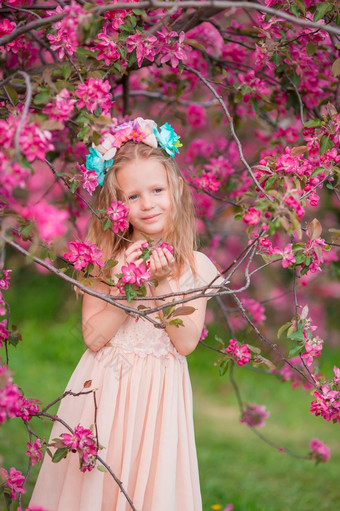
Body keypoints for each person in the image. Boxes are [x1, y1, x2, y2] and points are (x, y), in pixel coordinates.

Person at [30, 118, 222, 511]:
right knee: (97, 486)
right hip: (104, 391)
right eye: (133, 196)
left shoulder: (196, 266)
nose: (148, 203)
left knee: (149, 487)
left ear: (176, 190)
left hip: (159, 398)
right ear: (117, 206)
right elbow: (94, 337)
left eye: (156, 190)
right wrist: (128, 285)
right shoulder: (104, 262)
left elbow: (185, 343)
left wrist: (164, 283)